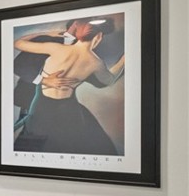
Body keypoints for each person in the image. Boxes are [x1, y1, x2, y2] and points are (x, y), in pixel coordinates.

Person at [12, 18, 125, 155]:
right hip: (68, 107)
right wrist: (123, 61)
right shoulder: (96, 63)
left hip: (44, 104)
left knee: (40, 142)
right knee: (69, 144)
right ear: (99, 37)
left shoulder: (56, 49)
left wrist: (48, 34)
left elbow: (17, 43)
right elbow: (109, 80)